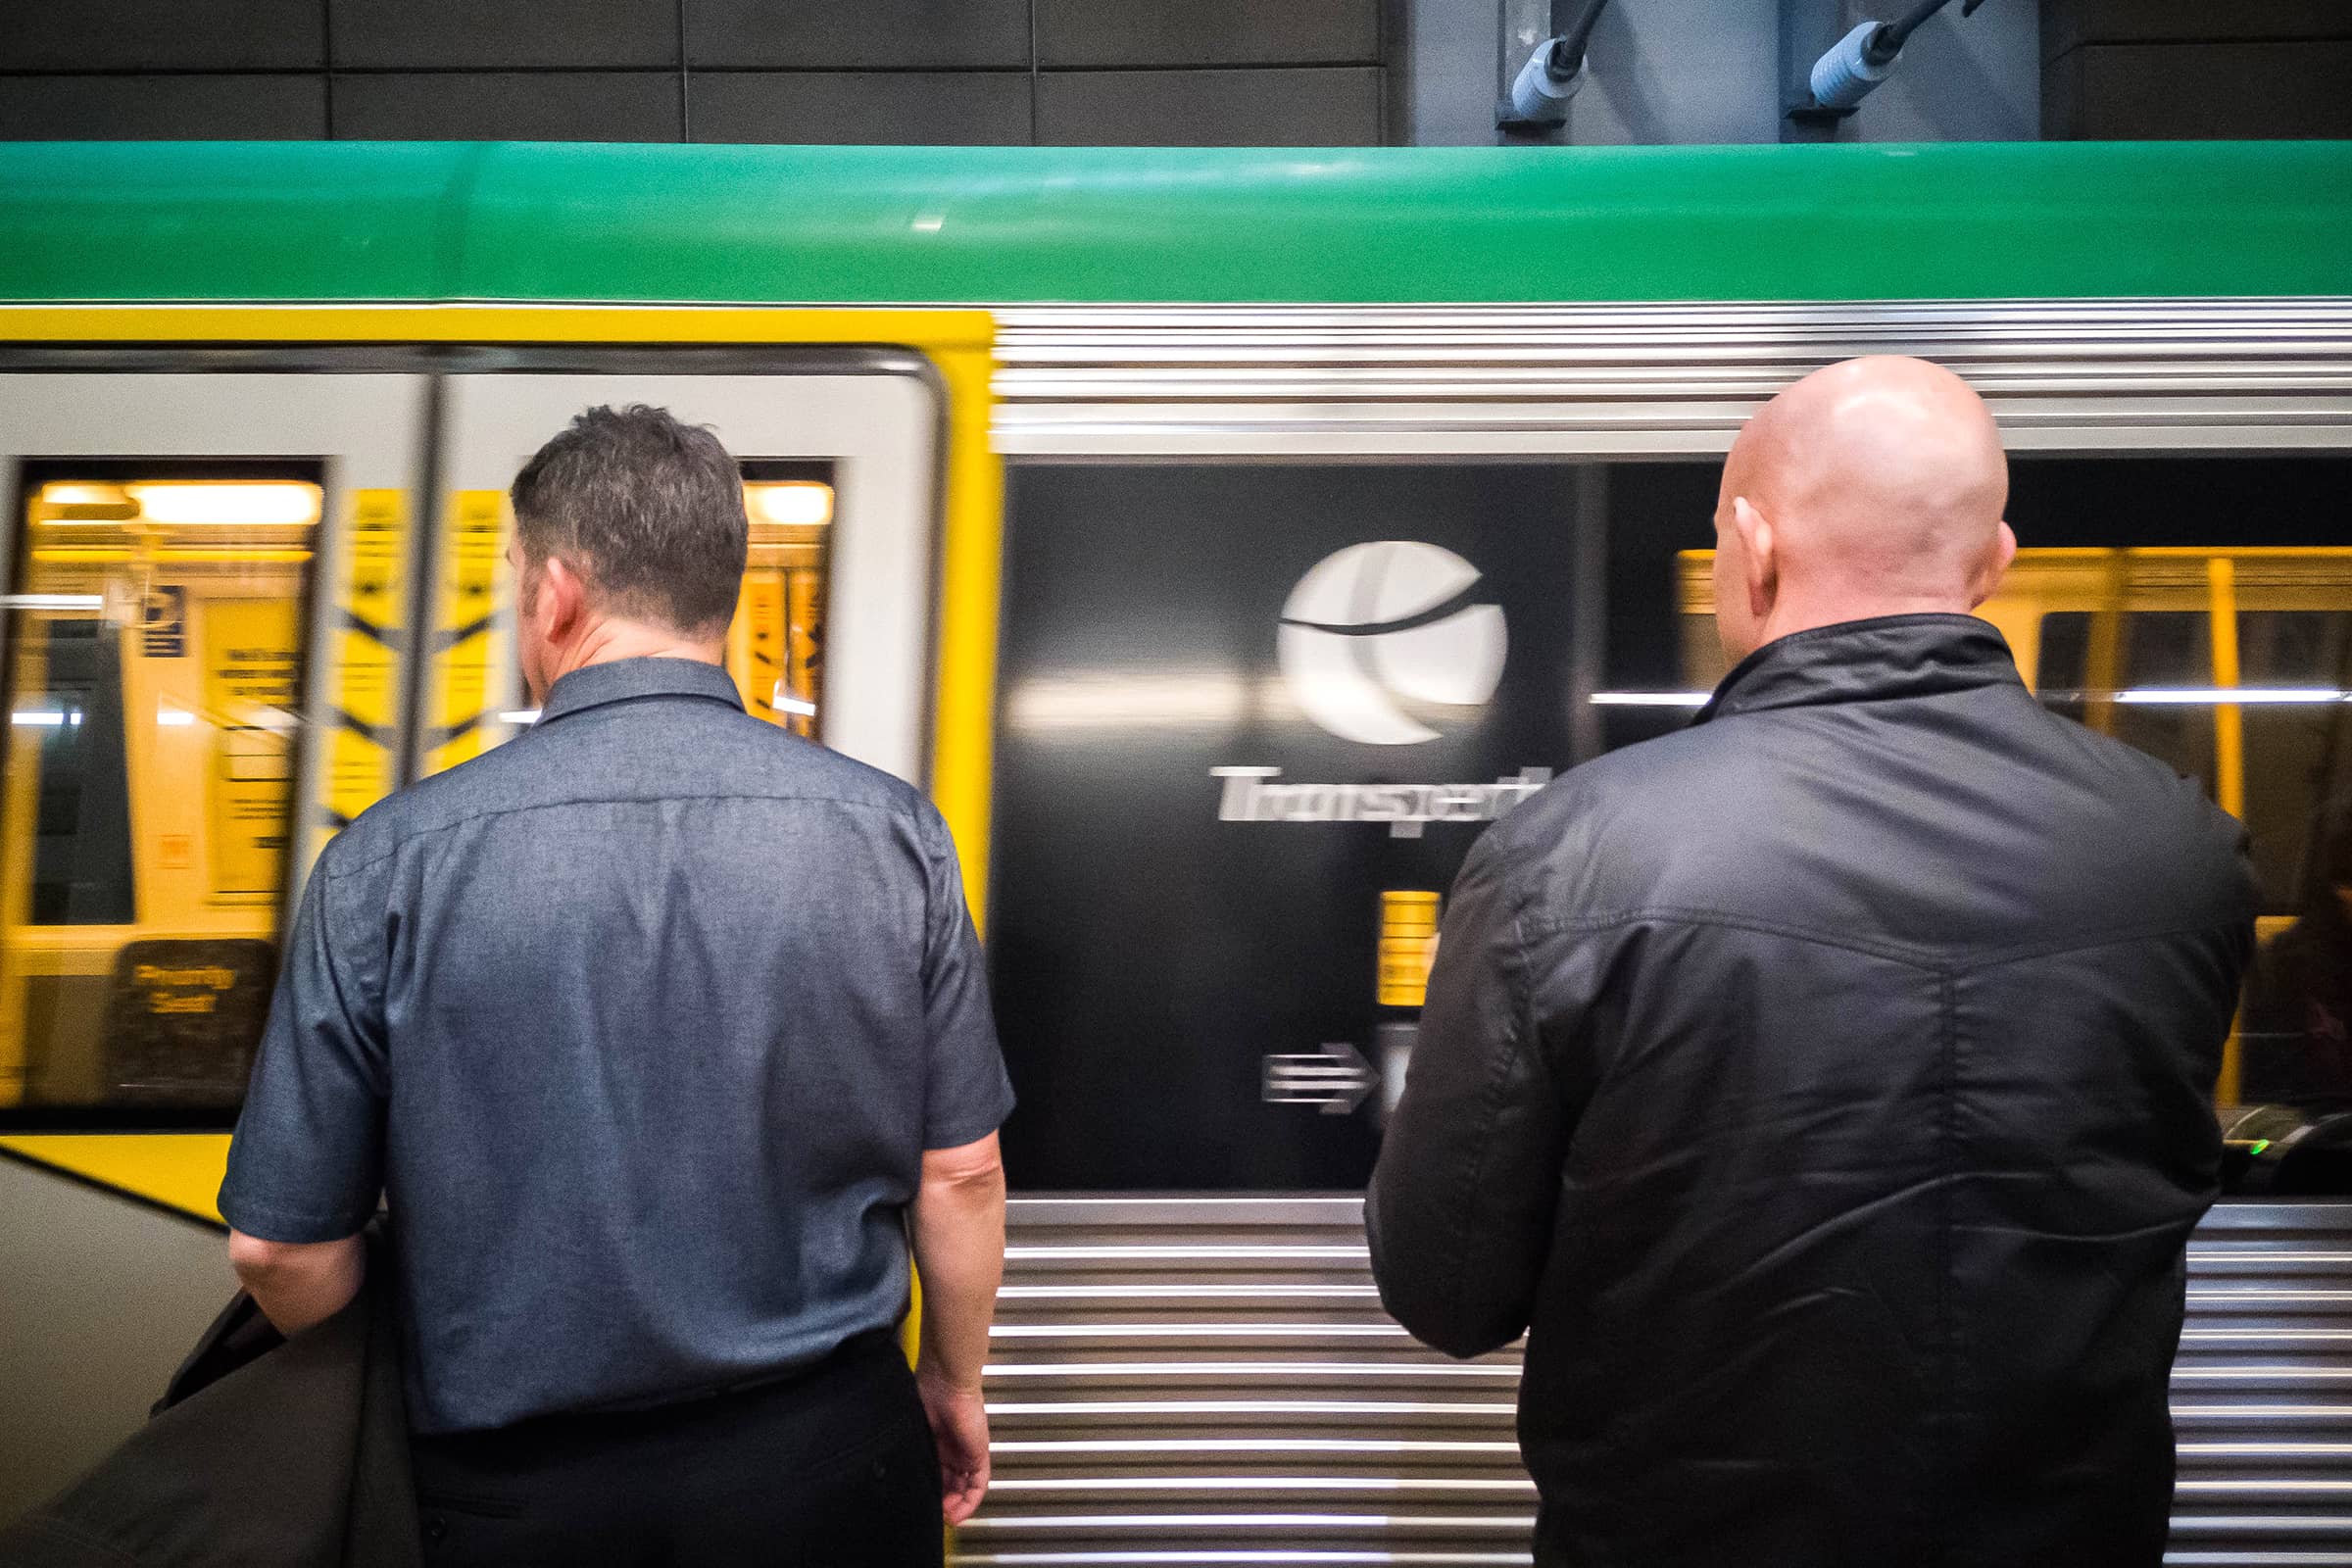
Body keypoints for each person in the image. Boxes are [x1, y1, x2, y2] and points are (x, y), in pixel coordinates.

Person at [1368, 357, 2255, 1567]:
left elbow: (1447, 1290)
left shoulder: (1570, 854)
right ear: (1995, 561)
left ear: (1751, 542)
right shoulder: (2186, 849)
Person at [217, 405, 1013, 1565]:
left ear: (555, 591)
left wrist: (390, 1385)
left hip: (508, 1502)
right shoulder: (896, 837)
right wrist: (951, 1381)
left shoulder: (386, 861)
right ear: (719, 594)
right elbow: (964, 1171)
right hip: (831, 1471)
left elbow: (278, 1249)